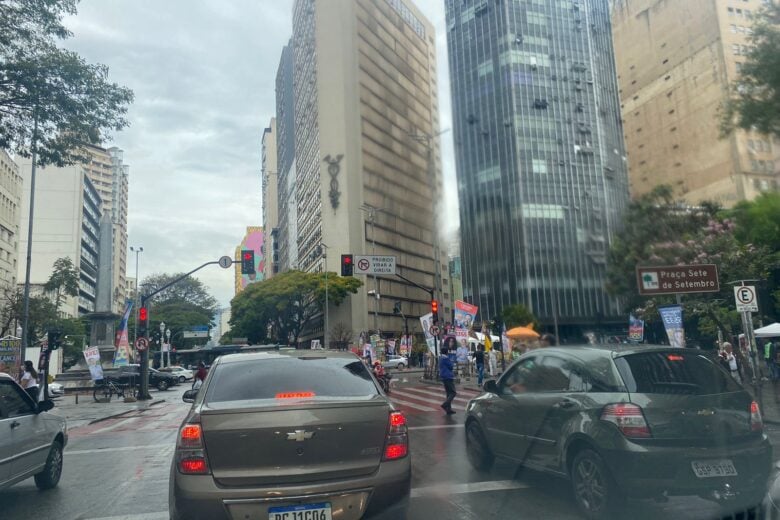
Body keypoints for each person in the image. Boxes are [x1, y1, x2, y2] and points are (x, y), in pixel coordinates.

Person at [439, 347, 456, 415]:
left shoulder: (440, 358)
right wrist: (451, 362)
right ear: (447, 352)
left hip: (443, 377)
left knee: (448, 393)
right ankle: (445, 404)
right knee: (453, 392)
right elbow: (451, 366)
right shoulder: (446, 358)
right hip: (448, 376)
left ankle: (448, 410)